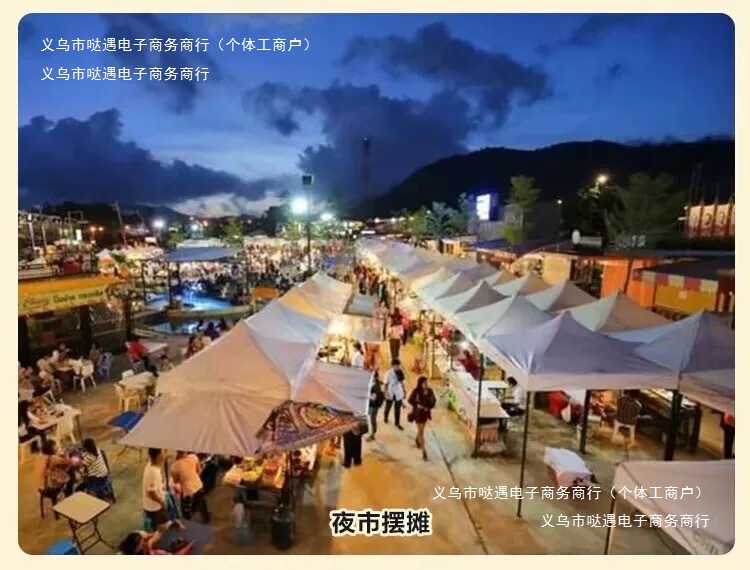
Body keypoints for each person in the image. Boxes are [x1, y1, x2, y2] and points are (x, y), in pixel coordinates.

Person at [142, 448, 184, 532]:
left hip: (154, 504)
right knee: (161, 529)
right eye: (164, 451)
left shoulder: (152, 465)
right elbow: (150, 492)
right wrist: (161, 501)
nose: (166, 453)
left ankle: (171, 523)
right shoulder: (154, 472)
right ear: (158, 456)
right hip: (155, 507)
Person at [171, 451, 210, 523]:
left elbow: (176, 480)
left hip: (187, 491)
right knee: (202, 504)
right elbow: (199, 471)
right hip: (198, 486)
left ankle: (188, 522)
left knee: (186, 511)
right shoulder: (193, 457)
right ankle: (206, 519)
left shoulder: (174, 466)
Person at [408, 376, 437, 460]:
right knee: (421, 431)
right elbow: (410, 400)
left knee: (421, 430)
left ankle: (417, 439)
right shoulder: (416, 391)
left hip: (425, 414)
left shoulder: (430, 391)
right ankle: (424, 451)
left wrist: (428, 407)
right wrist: (417, 405)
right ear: (420, 384)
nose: (426, 384)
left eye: (426, 383)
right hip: (418, 413)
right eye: (424, 383)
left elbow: (433, 401)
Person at [383, 360, 405, 430]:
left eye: (398, 366)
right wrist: (386, 392)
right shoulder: (388, 373)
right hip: (390, 392)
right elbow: (385, 384)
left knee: (397, 409)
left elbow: (402, 382)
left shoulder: (400, 372)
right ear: (392, 366)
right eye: (396, 366)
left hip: (398, 392)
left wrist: (404, 390)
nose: (397, 367)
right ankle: (386, 417)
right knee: (388, 407)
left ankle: (397, 423)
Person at [367, 371, 385, 441]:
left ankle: (373, 434)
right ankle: (372, 433)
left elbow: (374, 397)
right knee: (371, 418)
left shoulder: (377, 385)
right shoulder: (373, 383)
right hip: (372, 404)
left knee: (372, 419)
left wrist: (368, 395)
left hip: (374, 404)